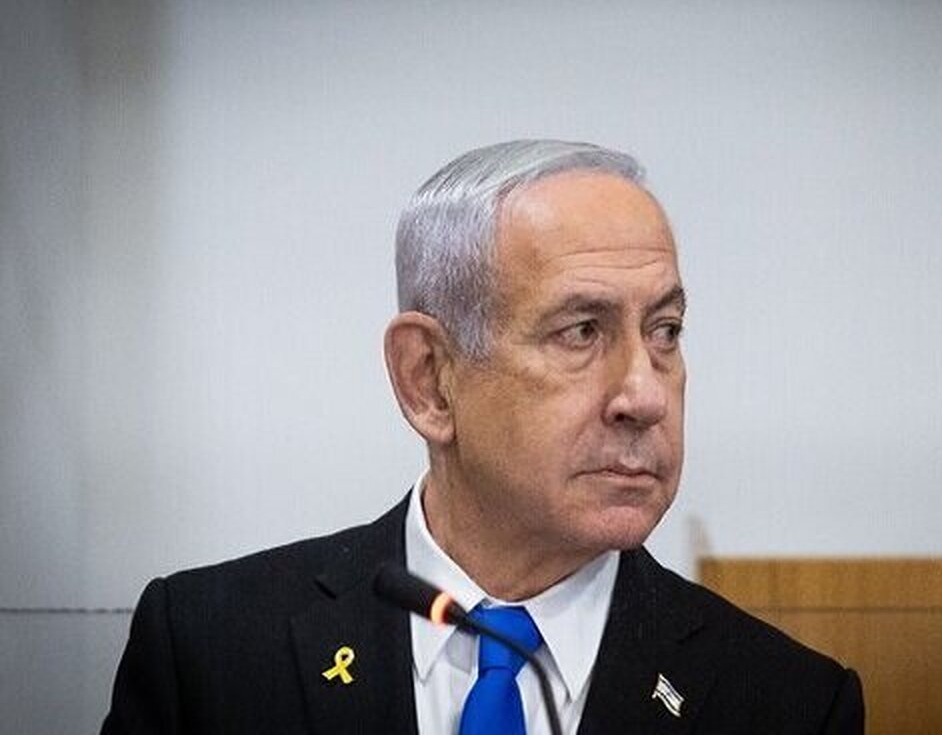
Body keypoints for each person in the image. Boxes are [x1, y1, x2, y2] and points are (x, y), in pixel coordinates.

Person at [101, 140, 864, 734]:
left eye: (665, 330)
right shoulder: (211, 649)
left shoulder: (789, 706)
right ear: (429, 380)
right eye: (581, 331)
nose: (644, 395)